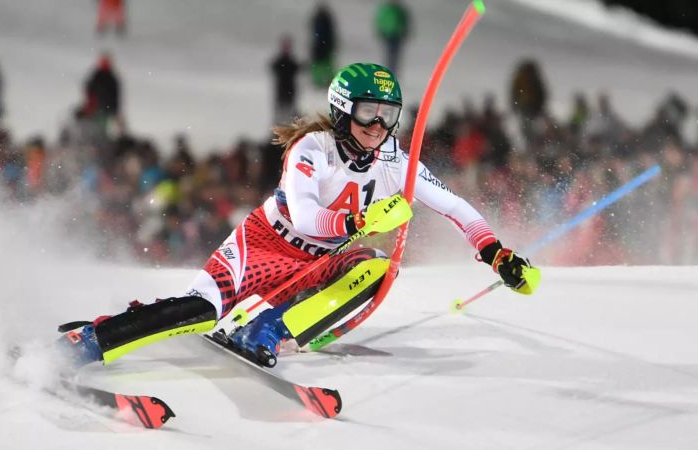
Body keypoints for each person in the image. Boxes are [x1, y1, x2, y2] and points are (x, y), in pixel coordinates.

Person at [57, 63, 540, 369]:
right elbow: (306, 215)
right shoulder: (314, 147)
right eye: (369, 112)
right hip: (265, 244)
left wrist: (494, 253)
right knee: (202, 310)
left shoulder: (395, 160)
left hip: (315, 264)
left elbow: (455, 206)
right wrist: (357, 222)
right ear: (343, 110)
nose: (379, 126)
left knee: (374, 266)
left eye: (388, 115)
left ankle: (266, 330)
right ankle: (93, 340)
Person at [270, 35, 301, 125]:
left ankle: (286, 126)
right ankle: (280, 127)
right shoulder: (282, 61)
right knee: (281, 112)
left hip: (288, 90)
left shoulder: (288, 61)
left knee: (288, 112)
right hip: (283, 90)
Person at [374, 0, 411, 75]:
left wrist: (404, 31)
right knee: (389, 53)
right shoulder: (386, 10)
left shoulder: (398, 10)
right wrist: (380, 31)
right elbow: (380, 21)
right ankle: (388, 70)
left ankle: (393, 70)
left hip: (396, 35)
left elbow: (404, 21)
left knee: (395, 54)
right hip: (387, 35)